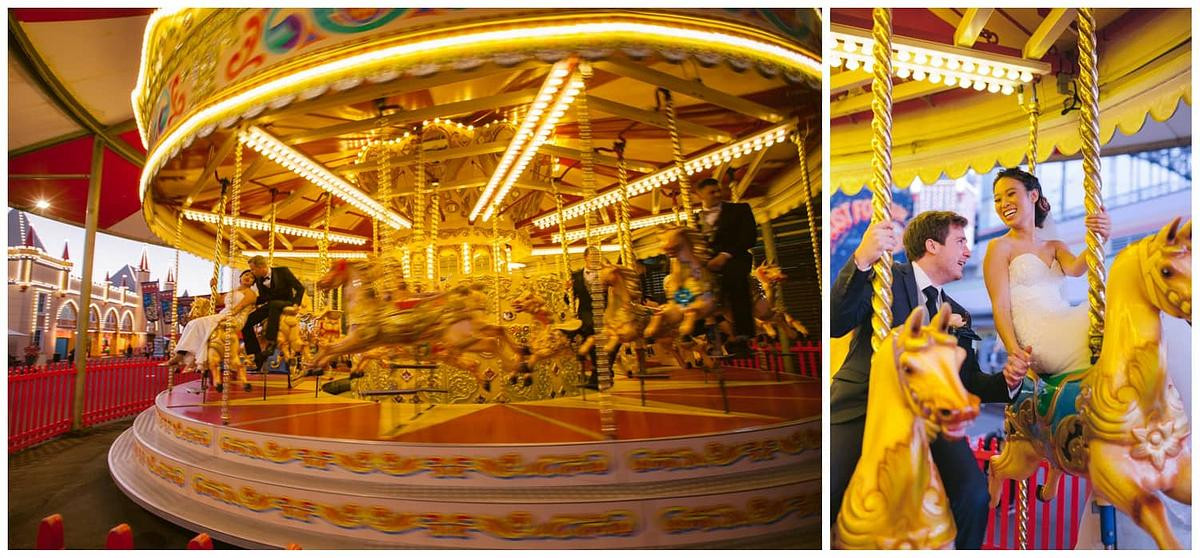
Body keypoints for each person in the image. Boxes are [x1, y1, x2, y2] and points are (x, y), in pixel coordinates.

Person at [830, 210, 1030, 549]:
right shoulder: (886, 277)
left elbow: (967, 380)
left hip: (930, 418)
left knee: (973, 494)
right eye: (961, 241)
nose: (968, 251)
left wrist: (1008, 381)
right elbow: (836, 321)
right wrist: (863, 258)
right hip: (865, 405)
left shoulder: (956, 311)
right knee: (827, 490)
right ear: (932, 245)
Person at [983, 168, 1110, 375]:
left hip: (1061, 318)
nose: (1003, 203)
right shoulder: (999, 247)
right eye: (997, 199)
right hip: (1036, 337)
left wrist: (1099, 239)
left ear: (1033, 196)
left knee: (1113, 312)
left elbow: (1076, 268)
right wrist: (1014, 351)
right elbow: (1000, 307)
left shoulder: (1054, 246)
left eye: (1011, 193)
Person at [164, 269, 258, 391]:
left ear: (253, 282)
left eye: (251, 277)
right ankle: (183, 354)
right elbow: (219, 301)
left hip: (236, 318)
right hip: (225, 314)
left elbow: (239, 307)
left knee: (197, 323)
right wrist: (213, 287)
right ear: (240, 277)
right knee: (195, 325)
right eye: (246, 275)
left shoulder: (250, 294)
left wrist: (225, 316)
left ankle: (182, 354)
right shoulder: (233, 291)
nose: (248, 277)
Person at [695, 177, 757, 355]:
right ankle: (698, 333)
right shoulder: (694, 219)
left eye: (718, 190)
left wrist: (724, 255)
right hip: (708, 264)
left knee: (736, 282)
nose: (717, 194)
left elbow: (749, 236)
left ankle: (743, 335)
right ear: (700, 195)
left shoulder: (740, 210)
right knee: (689, 290)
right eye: (711, 192)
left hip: (734, 259)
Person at [243, 255, 306, 370]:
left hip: (286, 303)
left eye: (253, 269)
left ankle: (271, 343)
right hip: (272, 306)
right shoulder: (258, 279)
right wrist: (250, 301)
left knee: (274, 304)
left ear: (261, 267)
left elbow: (300, 288)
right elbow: (263, 297)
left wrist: (296, 303)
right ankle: (256, 356)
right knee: (246, 322)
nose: (252, 272)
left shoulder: (283, 271)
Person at [569, 246, 605, 388]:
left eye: (597, 255)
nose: (595, 258)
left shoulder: (604, 273)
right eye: (592, 255)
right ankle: (591, 373)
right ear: (586, 257)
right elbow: (569, 299)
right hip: (584, 314)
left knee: (598, 345)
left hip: (602, 312)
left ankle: (598, 375)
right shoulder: (576, 276)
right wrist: (568, 291)